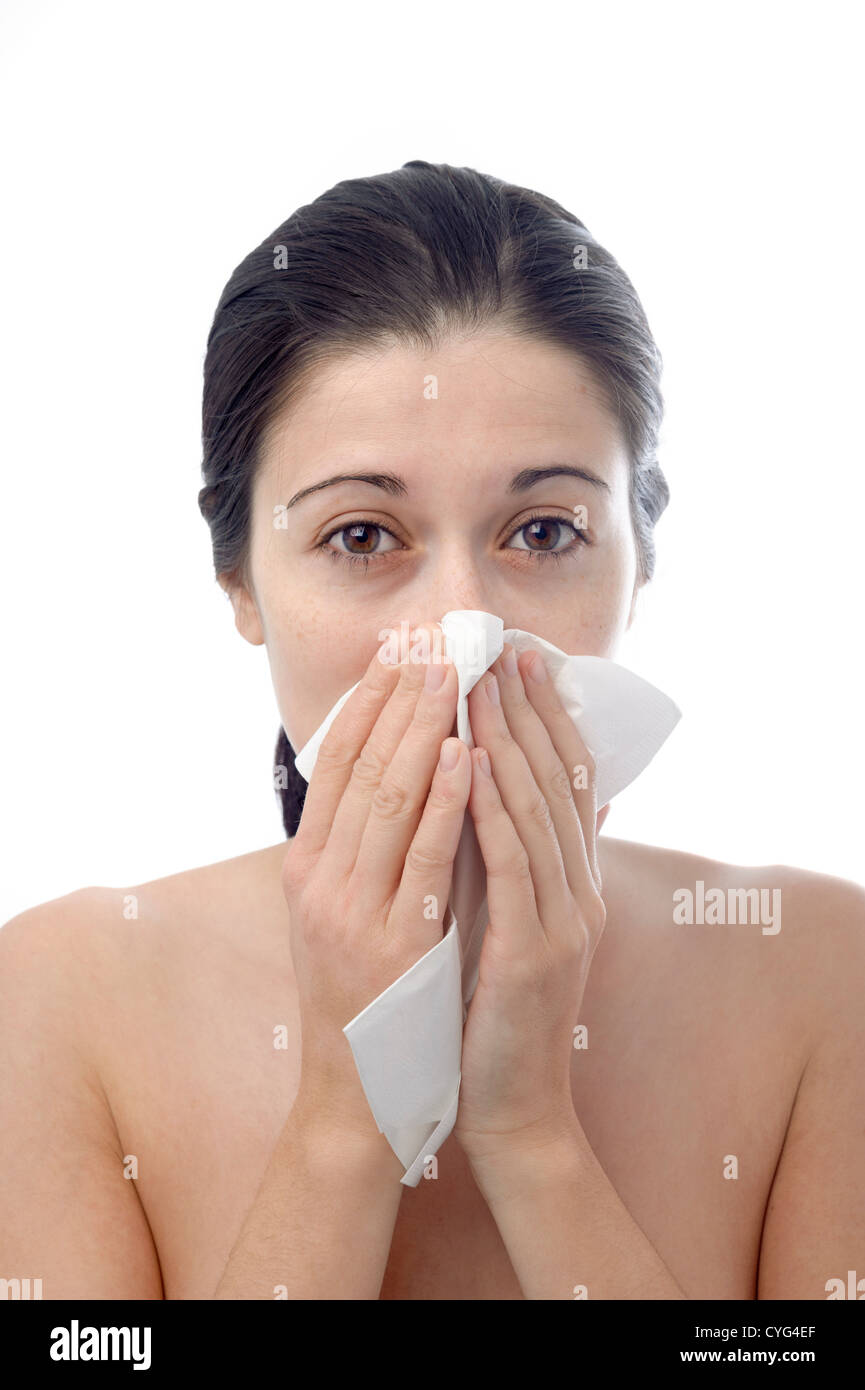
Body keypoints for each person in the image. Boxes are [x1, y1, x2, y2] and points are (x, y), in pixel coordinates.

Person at [2, 161, 863, 1301]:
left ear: (640, 561)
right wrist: (344, 1119)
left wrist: (530, 1135)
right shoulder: (57, 999)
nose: (461, 630)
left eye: (543, 531)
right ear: (240, 582)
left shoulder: (817, 974)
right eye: (363, 537)